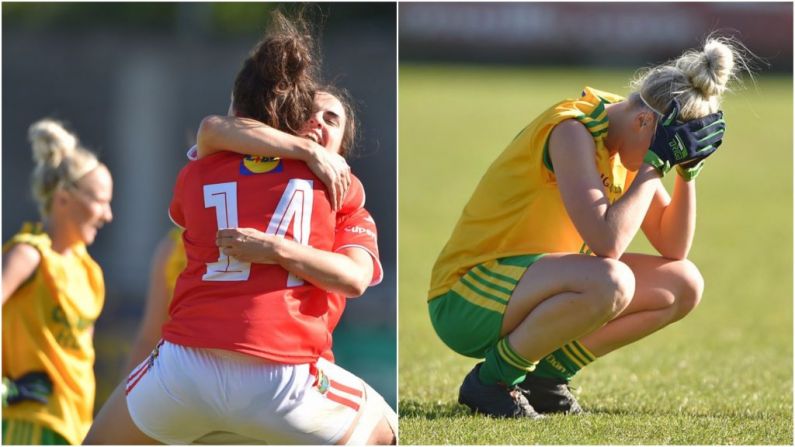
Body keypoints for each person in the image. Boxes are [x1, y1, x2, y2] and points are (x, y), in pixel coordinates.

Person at [85, 11, 395, 445]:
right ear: (287, 120)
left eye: (333, 119)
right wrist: (304, 155)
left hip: (185, 371)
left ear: (343, 147)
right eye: (311, 112)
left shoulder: (204, 166)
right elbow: (218, 129)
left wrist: (275, 249)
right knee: (388, 429)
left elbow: (213, 130)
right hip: (281, 376)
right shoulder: (341, 191)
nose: (319, 123)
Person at [428, 37, 745, 418]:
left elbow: (673, 248)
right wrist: (654, 163)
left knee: (683, 283)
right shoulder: (573, 130)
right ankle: (493, 381)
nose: (661, 157)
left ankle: (545, 379)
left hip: (529, 289)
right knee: (611, 280)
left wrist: (686, 173)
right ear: (644, 121)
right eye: (668, 145)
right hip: (466, 297)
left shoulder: (631, 135)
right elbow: (607, 243)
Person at [2, 119, 114, 444]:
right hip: (29, 425)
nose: (108, 215)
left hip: (75, 428)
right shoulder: (28, 255)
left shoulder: (90, 272)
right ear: (64, 198)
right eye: (100, 201)